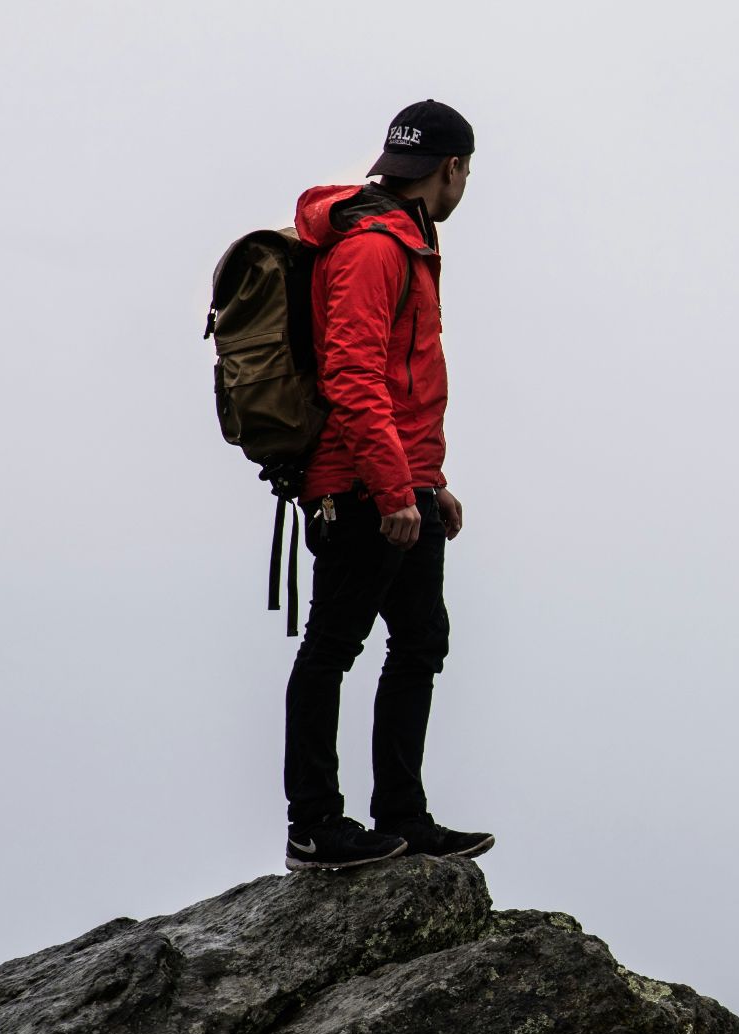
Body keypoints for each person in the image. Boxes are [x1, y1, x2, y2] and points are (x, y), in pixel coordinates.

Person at [280, 100, 493, 870]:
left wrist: (430, 483)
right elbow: (352, 375)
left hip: (403, 480)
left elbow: (404, 382)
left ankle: (401, 816)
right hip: (361, 484)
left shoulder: (409, 240)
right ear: (453, 168)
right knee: (333, 647)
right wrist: (394, 487)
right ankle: (313, 825)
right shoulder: (374, 247)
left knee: (419, 645)